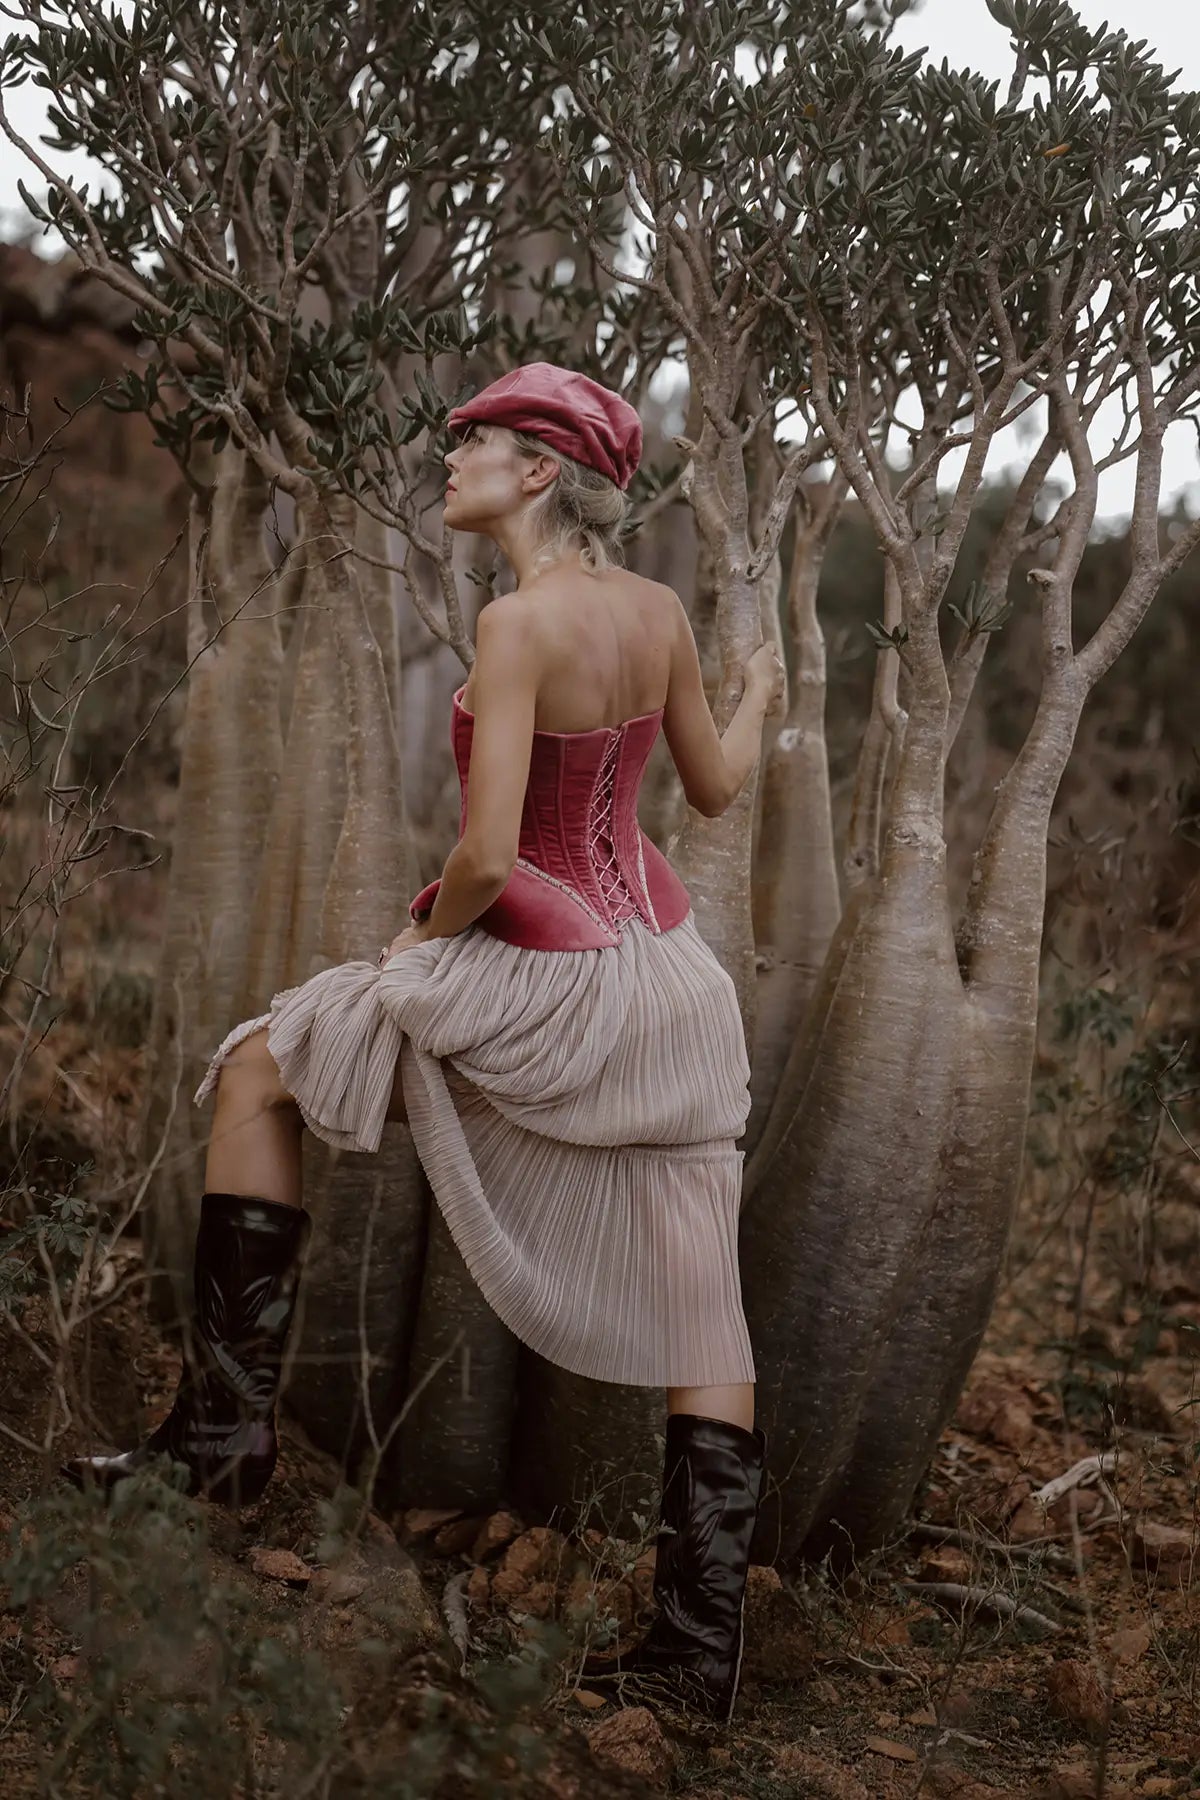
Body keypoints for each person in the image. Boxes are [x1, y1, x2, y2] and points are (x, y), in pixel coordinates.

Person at [62, 360, 786, 1724]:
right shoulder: (658, 610)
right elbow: (713, 786)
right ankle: (700, 1654)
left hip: (552, 974)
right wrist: (758, 693)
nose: (451, 461)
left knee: (258, 1069)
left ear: (542, 473)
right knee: (702, 1280)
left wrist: (416, 939)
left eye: (478, 443)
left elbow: (489, 855)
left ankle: (221, 1438)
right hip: (672, 983)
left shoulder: (518, 625)